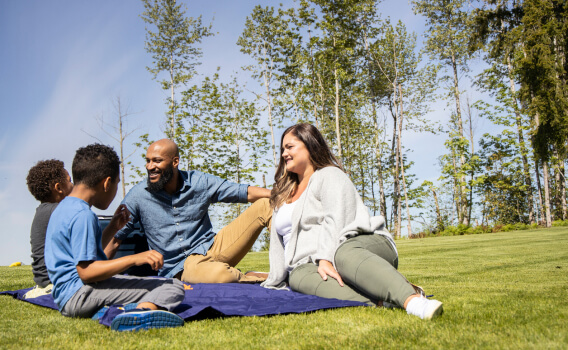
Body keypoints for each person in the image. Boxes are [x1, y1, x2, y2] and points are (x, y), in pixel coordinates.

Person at [261, 123, 444, 320]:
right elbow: (279, 245)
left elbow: (336, 218)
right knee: (298, 277)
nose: (283, 154)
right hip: (309, 263)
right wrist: (276, 279)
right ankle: (385, 300)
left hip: (361, 245)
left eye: (289, 147)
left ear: (310, 144)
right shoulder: (283, 193)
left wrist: (325, 258)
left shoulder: (328, 175)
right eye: (282, 149)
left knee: (344, 254)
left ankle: (413, 301)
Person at [45, 144, 186, 331]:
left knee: (159, 285)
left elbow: (86, 252)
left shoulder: (66, 207)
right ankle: (139, 314)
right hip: (81, 295)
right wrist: (135, 258)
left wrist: (112, 228)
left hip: (67, 297)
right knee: (171, 287)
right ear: (106, 183)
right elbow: (86, 272)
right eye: (117, 183)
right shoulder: (83, 215)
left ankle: (108, 311)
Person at [105, 139, 272, 284]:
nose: (150, 167)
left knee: (267, 204)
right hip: (182, 267)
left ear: (175, 162)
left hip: (212, 247)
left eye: (156, 161)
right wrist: (96, 276)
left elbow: (244, 192)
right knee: (222, 276)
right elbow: (114, 239)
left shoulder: (199, 181)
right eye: (148, 161)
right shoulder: (138, 195)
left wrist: (282, 195)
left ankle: (292, 264)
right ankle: (257, 277)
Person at [24, 159, 74, 299]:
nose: (74, 185)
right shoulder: (58, 211)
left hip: (46, 282)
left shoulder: (45, 210)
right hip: (54, 283)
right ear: (59, 188)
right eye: (70, 181)